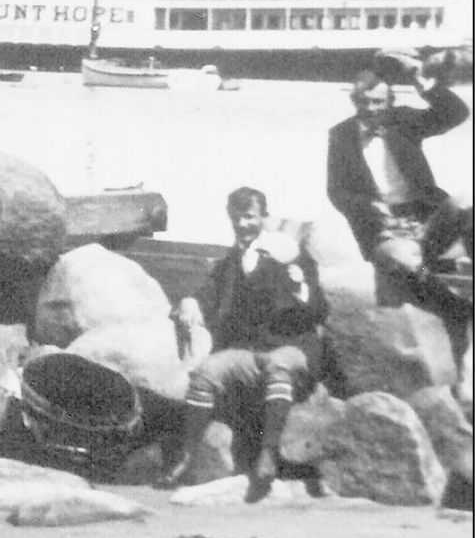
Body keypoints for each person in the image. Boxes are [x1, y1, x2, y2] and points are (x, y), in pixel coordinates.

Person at [158, 186, 327, 501]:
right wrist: (191, 301)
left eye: (249, 217)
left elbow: (318, 309)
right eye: (236, 218)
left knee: (278, 365)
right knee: (207, 372)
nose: (242, 225)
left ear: (263, 217)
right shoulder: (231, 261)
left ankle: (269, 454)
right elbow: (209, 292)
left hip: (293, 349)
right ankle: (187, 456)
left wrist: (298, 279)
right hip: (249, 354)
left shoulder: (290, 254)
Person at [326, 51, 470, 311]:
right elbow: (337, 191)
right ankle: (451, 302)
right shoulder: (341, 135)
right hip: (381, 224)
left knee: (466, 204)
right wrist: (371, 208)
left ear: (390, 103)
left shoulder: (403, 121)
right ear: (355, 101)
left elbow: (456, 113)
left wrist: (422, 83)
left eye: (378, 103)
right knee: (410, 260)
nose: (371, 109)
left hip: (426, 212)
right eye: (364, 102)